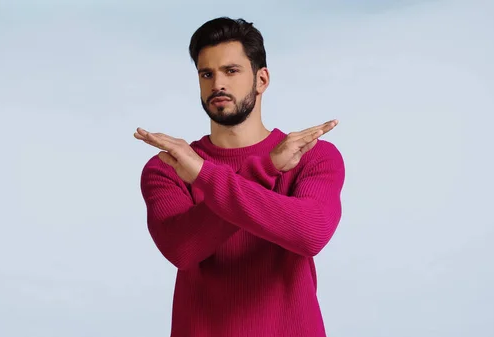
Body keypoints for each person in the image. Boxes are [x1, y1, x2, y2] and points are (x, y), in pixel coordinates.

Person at [134, 17, 345, 337]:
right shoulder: (169, 167)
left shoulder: (311, 155)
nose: (218, 83)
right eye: (207, 73)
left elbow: (310, 233)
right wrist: (264, 170)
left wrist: (209, 175)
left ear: (261, 79)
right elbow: (183, 250)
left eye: (231, 71)